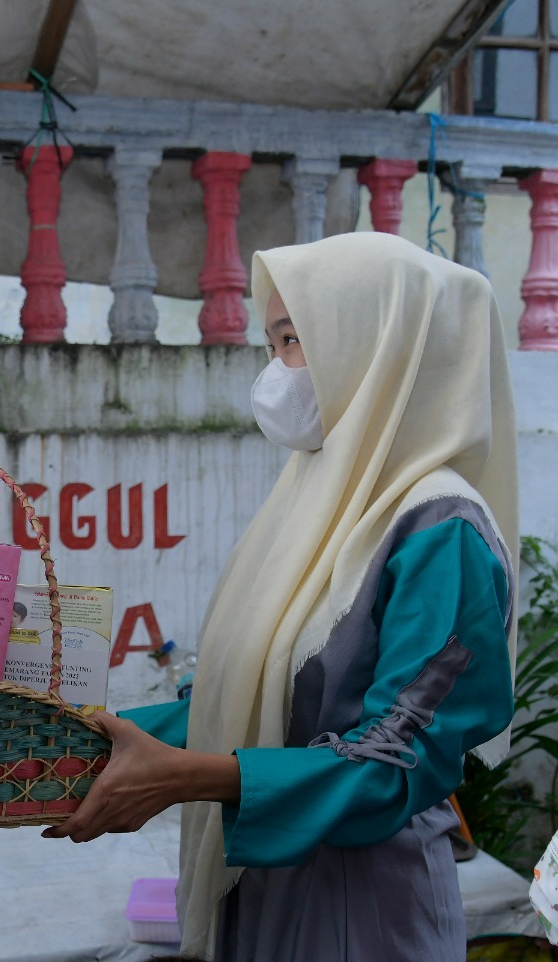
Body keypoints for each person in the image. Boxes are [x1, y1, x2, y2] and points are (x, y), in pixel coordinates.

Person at [45, 232, 519, 962]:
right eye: (271, 344)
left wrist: (187, 778)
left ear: (378, 345)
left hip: (363, 911)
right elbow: (245, 698)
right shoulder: (316, 501)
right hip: (263, 884)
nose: (277, 372)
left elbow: (398, 761)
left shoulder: (438, 528)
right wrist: (75, 738)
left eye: (295, 340)